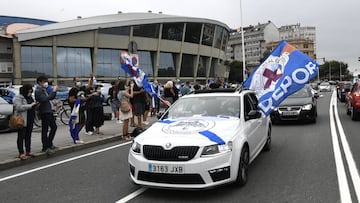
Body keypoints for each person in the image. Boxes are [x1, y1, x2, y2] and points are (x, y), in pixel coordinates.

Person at [13, 84, 38, 159]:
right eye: (29, 90)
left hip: (30, 118)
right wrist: (30, 105)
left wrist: (35, 105)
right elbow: (18, 107)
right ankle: (21, 152)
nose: (30, 92)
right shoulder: (18, 97)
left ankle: (28, 151)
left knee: (28, 136)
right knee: (21, 136)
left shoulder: (30, 97)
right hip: (22, 119)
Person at [35, 75, 58, 154]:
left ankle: (49, 143)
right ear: (39, 82)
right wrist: (54, 91)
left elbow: (50, 98)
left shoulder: (44, 89)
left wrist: (54, 92)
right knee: (45, 129)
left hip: (49, 111)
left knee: (54, 127)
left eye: (46, 82)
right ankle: (45, 147)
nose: (46, 83)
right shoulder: (38, 90)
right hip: (44, 111)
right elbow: (44, 99)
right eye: (44, 81)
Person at [68, 77, 87, 143]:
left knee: (82, 122)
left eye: (79, 81)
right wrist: (79, 100)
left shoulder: (81, 89)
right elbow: (71, 99)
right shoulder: (73, 90)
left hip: (81, 108)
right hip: (75, 109)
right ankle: (75, 136)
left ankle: (75, 134)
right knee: (76, 123)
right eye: (77, 81)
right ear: (74, 82)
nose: (79, 82)